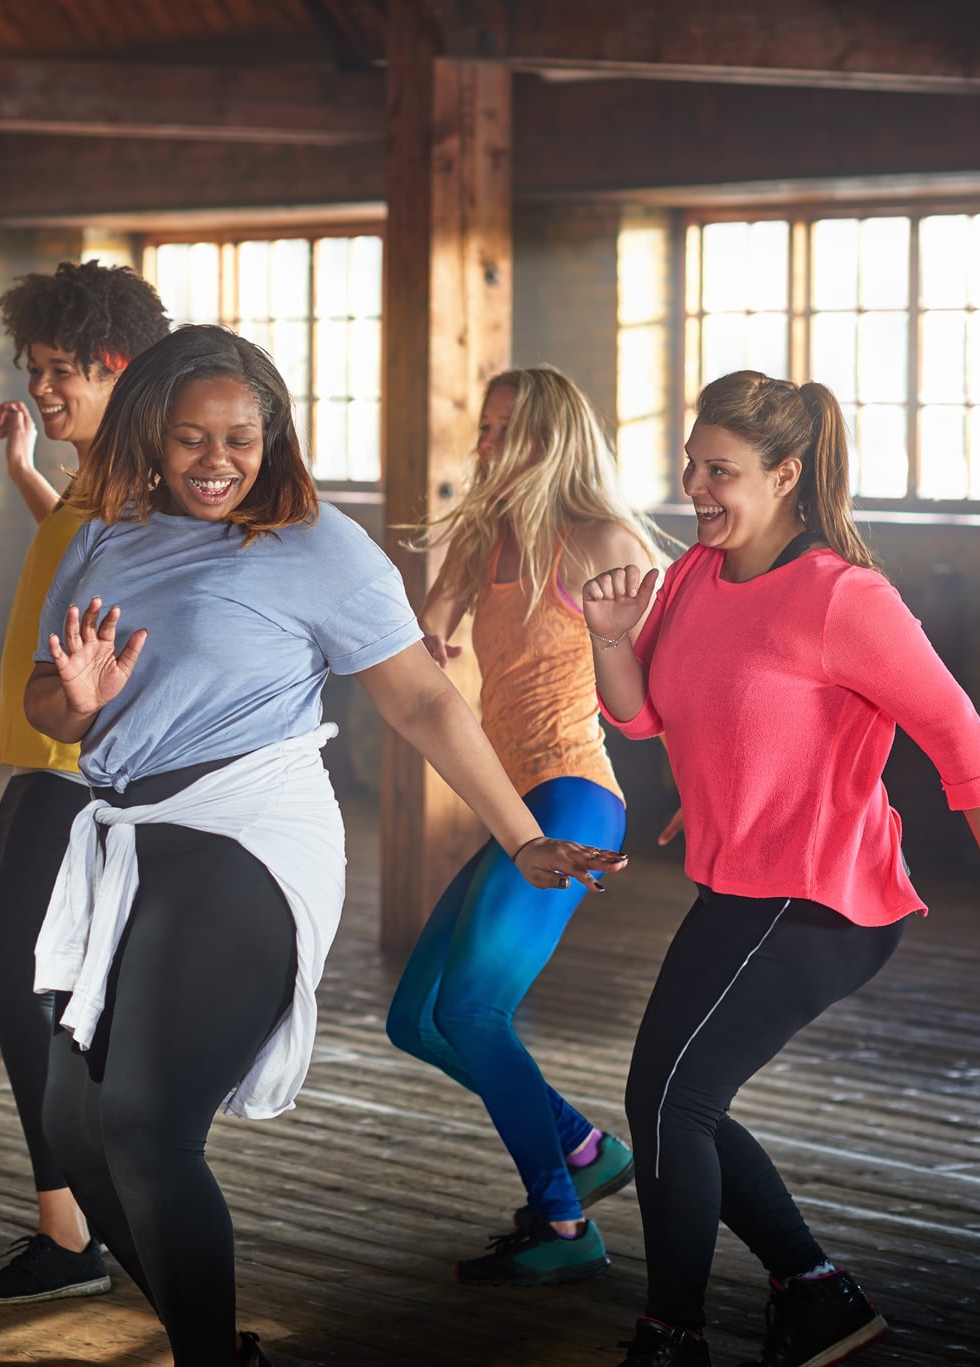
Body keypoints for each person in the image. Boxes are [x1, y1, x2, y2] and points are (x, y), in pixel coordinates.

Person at [24, 326, 627, 1367]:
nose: (216, 460)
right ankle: (213, 1341)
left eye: (239, 438)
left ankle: (209, 1356)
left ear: (274, 437)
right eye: (190, 438)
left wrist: (523, 839)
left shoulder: (315, 544)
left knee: (143, 1123)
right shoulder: (102, 538)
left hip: (247, 831)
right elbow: (50, 692)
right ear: (151, 437)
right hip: (128, 837)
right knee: (74, 1136)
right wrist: (72, 702)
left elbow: (428, 701)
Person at [585, 371, 980, 1367]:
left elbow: (954, 732)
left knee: (675, 1099)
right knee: (670, 1099)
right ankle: (813, 1294)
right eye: (688, 462)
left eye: (717, 469)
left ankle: (671, 1335)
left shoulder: (841, 596)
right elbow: (644, 717)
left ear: (783, 474)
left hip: (818, 897)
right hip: (739, 882)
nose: (694, 485)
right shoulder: (691, 576)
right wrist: (606, 638)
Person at [383, 366, 666, 1285]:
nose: (488, 445)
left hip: (576, 796)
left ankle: (563, 1219)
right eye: (485, 427)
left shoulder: (600, 541)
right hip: (516, 806)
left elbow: (655, 687)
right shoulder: (483, 539)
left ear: (554, 440)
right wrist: (422, 635)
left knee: (471, 1008)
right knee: (416, 1021)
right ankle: (584, 1145)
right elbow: (427, 633)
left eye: (509, 430)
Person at [0, 260, 169, 1306]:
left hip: (75, 776)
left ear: (116, 368)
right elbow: (65, 542)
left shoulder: (138, 491)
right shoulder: (93, 478)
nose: (42, 389)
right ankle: (73, 1217)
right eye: (34, 369)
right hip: (32, 767)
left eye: (60, 372)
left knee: (18, 988)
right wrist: (19, 465)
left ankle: (83, 1219)